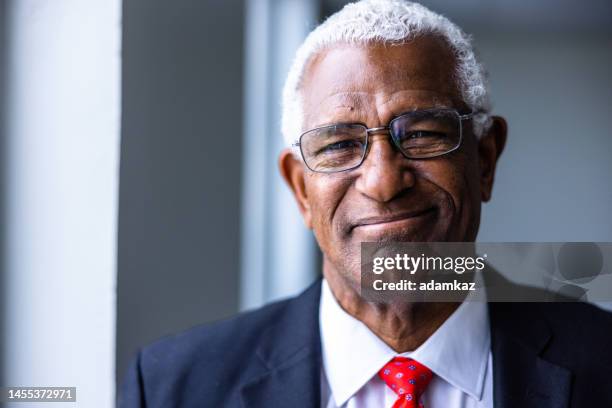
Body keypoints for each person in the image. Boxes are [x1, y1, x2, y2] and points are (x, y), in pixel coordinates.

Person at [119, 1, 612, 407]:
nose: (382, 181)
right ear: (299, 190)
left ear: (484, 160)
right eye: (338, 145)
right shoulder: (174, 389)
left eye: (420, 134)